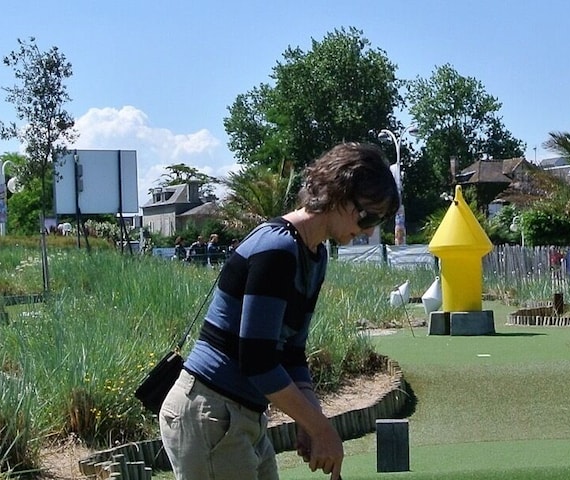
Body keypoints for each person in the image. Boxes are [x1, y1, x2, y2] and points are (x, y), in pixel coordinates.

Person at [160, 142, 399, 480]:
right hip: (211, 411)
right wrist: (320, 429)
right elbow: (257, 360)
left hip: (242, 414)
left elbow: (291, 351)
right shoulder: (277, 249)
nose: (370, 230)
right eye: (369, 216)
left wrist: (309, 417)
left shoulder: (315, 255)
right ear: (339, 196)